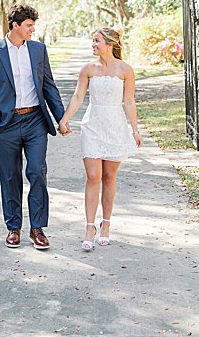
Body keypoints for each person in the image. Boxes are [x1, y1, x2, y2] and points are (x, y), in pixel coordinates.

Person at [0, 4, 67, 249]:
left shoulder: (38, 50)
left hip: (35, 121)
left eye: (33, 25)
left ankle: (37, 228)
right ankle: (13, 228)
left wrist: (61, 117)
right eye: (28, 25)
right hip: (5, 124)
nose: (32, 29)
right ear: (15, 25)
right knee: (10, 176)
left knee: (37, 171)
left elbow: (49, 86)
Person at [58, 27, 142, 250]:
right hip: (92, 125)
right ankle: (89, 226)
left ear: (109, 43)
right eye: (93, 41)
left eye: (96, 41)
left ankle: (106, 224)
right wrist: (64, 120)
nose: (93, 45)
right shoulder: (88, 69)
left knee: (109, 177)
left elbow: (129, 101)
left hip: (115, 126)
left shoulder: (125, 70)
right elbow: (78, 96)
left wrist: (134, 130)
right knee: (93, 176)